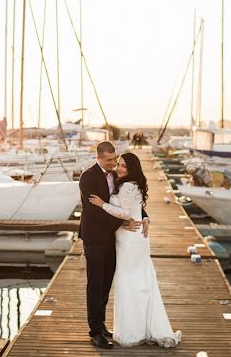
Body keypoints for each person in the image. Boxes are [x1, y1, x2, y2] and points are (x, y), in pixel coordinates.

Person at [89, 152, 181, 348]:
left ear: (132, 169)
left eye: (123, 165)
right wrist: (144, 218)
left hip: (130, 239)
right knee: (139, 281)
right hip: (133, 237)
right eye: (118, 164)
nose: (119, 168)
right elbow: (136, 210)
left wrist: (102, 204)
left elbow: (126, 213)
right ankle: (141, 327)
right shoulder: (125, 182)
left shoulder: (128, 185)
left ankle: (132, 331)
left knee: (129, 282)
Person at [78, 141, 144, 349]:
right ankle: (94, 331)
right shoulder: (87, 177)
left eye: (115, 159)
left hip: (112, 238)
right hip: (95, 238)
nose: (113, 163)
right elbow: (94, 211)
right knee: (95, 284)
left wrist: (145, 216)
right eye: (109, 160)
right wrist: (123, 221)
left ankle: (102, 323)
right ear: (98, 158)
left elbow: (131, 200)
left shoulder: (115, 174)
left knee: (106, 282)